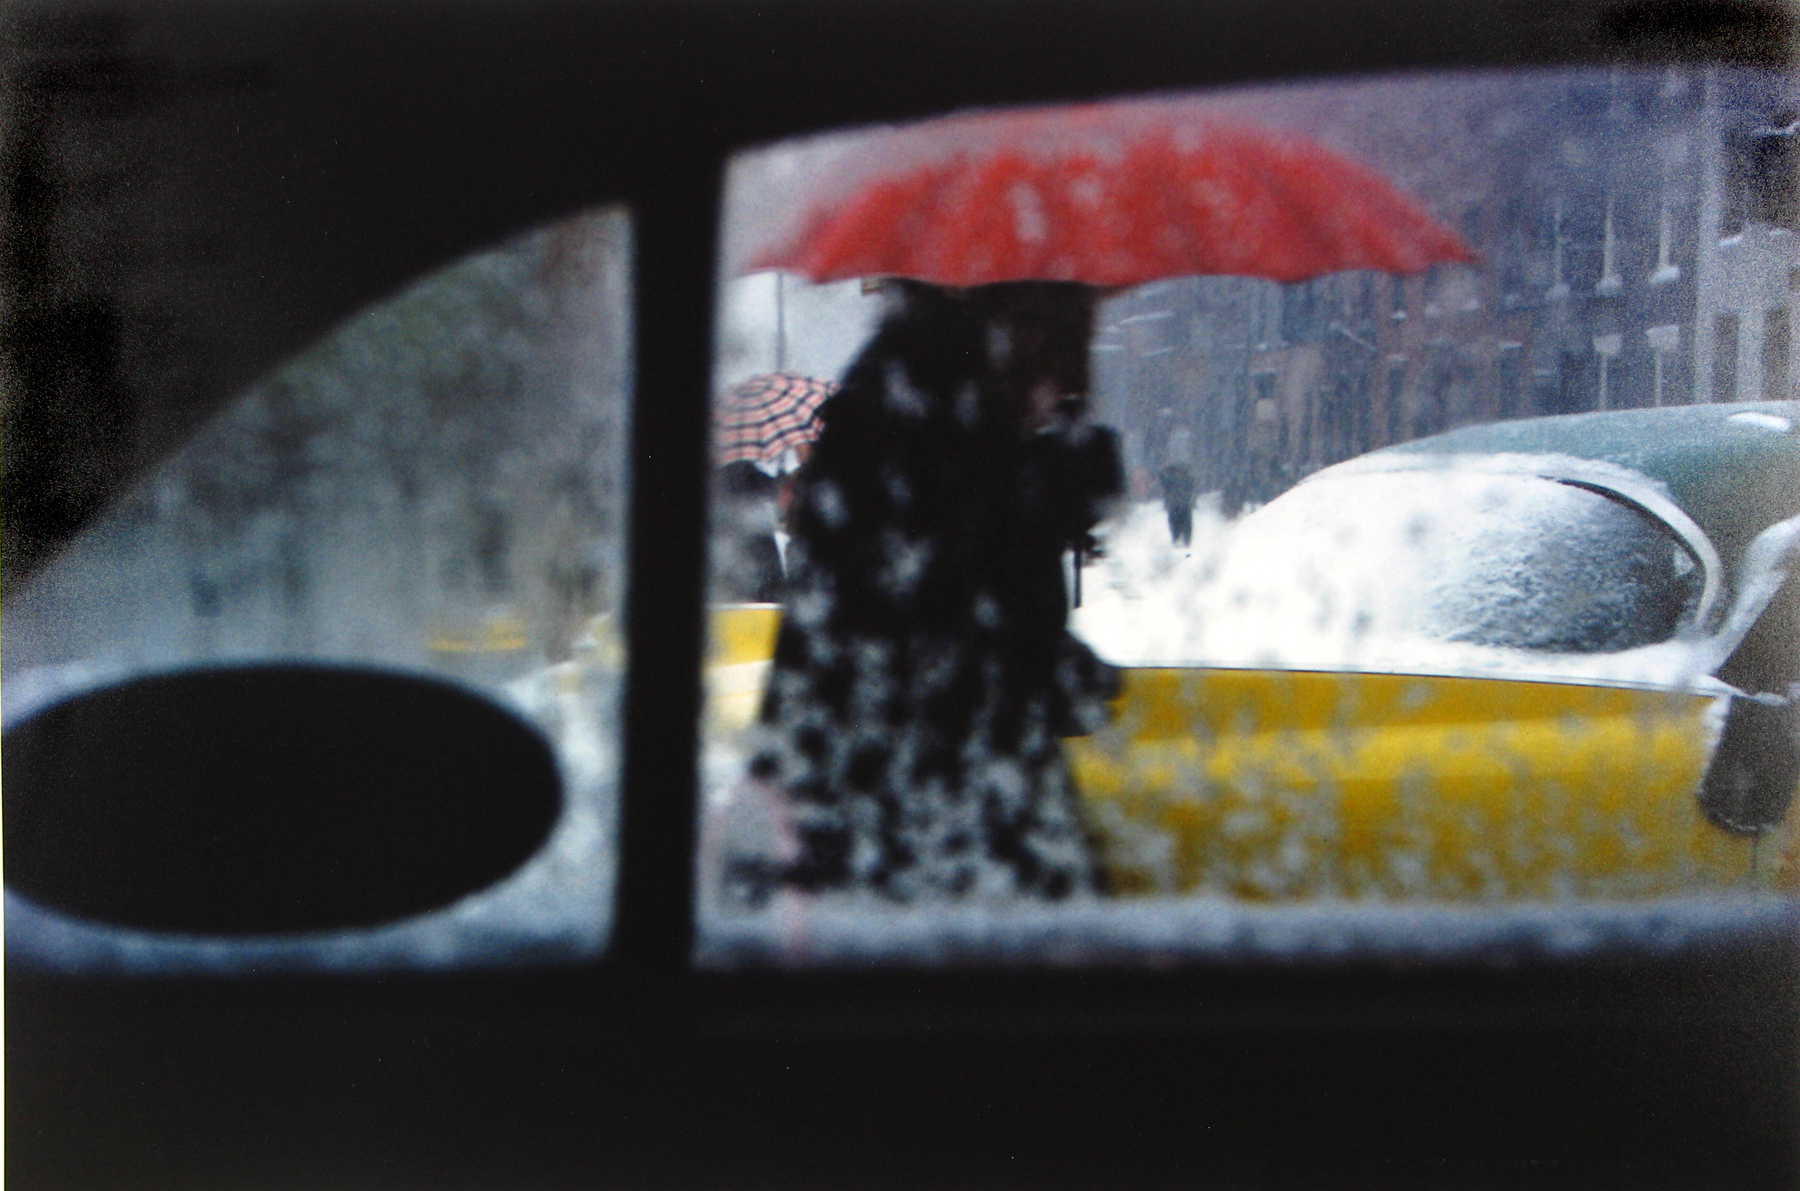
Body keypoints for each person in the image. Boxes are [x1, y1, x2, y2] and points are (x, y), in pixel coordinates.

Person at [748, 280, 1123, 902]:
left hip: (884, 827)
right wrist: (1040, 505)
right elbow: (949, 659)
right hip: (912, 840)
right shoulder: (925, 436)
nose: (1071, 377)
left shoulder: (923, 413)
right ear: (1029, 325)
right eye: (1076, 331)